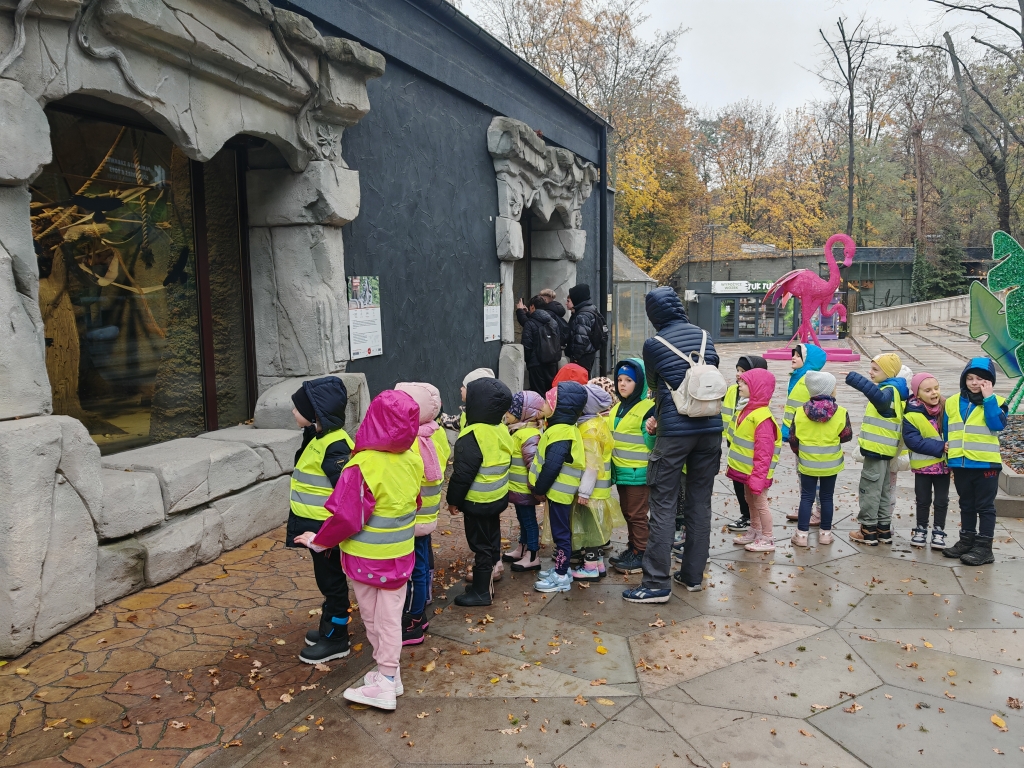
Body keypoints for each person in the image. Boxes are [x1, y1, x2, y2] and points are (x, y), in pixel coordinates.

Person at [294, 390, 423, 711]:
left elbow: (346, 518)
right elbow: (415, 502)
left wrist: (318, 540)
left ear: (373, 420)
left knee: (374, 620)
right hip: (401, 558)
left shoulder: (360, 465)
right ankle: (390, 676)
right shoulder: (412, 459)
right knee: (392, 618)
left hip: (366, 561)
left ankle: (387, 683)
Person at [625, 286, 722, 603]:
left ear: (654, 315)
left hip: (676, 433)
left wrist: (657, 414)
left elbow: (654, 384)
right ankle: (692, 576)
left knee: (664, 504)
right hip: (710, 428)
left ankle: (655, 584)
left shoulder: (654, 344)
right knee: (699, 502)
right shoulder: (705, 335)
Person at [285, 377, 354, 665]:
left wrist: (330, 534)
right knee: (327, 581)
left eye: (298, 407)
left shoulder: (334, 446)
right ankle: (330, 626)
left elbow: (347, 494)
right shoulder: (319, 438)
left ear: (316, 413)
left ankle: (337, 637)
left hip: (327, 532)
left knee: (333, 583)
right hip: (317, 529)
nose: (292, 412)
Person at [446, 377, 514, 606]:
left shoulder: (471, 435)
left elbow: (462, 474)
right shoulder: (501, 430)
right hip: (496, 498)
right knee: (491, 538)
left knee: (480, 545)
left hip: (477, 502)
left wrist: (453, 501)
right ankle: (484, 585)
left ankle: (482, 593)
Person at [394, 382, 449, 646]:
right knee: (423, 561)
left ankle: (413, 620)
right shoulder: (435, 433)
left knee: (413, 569)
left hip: (413, 516)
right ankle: (420, 610)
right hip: (428, 513)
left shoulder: (412, 441)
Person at [942, 357, 1007, 566]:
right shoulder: (952, 401)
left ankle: (984, 547)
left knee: (985, 506)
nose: (974, 382)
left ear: (989, 381)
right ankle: (967, 540)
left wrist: (988, 399)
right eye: (970, 378)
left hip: (986, 464)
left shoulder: (997, 402)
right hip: (961, 464)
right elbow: (947, 429)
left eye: (980, 378)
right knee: (966, 504)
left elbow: (996, 424)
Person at [530, 382, 588, 593]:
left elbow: (553, 464)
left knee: (561, 534)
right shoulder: (561, 428)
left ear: (559, 407)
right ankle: (560, 568)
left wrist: (540, 488)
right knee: (561, 532)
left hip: (559, 492)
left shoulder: (561, 432)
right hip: (559, 491)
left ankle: (561, 575)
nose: (543, 405)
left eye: (548, 401)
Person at [845, 353, 908, 546]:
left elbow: (879, 399)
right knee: (882, 491)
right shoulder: (897, 389)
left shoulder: (889, 390)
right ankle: (883, 529)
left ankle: (868, 530)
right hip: (885, 449)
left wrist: (854, 379)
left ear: (888, 372)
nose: (870, 373)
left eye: (875, 369)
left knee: (870, 490)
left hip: (876, 449)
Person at [787, 371, 851, 547]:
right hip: (831, 463)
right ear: (830, 390)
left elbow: (793, 438)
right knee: (827, 497)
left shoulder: (800, 412)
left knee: (806, 497)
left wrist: (800, 453)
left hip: (807, 462)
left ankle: (801, 535)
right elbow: (846, 436)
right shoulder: (841, 412)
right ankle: (825, 534)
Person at [569, 383, 623, 579]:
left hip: (591, 491)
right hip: (599, 489)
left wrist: (584, 491)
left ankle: (590, 567)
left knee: (591, 529)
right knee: (596, 528)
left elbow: (592, 464)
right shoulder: (597, 423)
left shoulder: (588, 429)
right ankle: (598, 563)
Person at [608, 358, 656, 573]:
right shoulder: (617, 408)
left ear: (641, 383)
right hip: (622, 471)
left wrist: (653, 431)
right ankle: (633, 548)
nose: (623, 384)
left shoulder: (647, 409)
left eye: (629, 380)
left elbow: (651, 442)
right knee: (629, 512)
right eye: (619, 379)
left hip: (639, 472)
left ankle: (642, 553)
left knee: (637, 514)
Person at [726, 368, 782, 553]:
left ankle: (767, 537)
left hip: (756, 473)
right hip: (747, 472)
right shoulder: (747, 410)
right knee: (750, 500)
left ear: (756, 388)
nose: (739, 385)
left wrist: (758, 478)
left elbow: (764, 453)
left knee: (760, 503)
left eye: (743, 382)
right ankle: (755, 530)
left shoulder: (762, 418)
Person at [903, 372, 949, 549]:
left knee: (941, 501)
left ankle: (939, 531)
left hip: (944, 468)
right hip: (923, 468)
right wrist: (940, 447)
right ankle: (921, 528)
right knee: (923, 500)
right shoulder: (912, 414)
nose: (934, 393)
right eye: (928, 390)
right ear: (917, 394)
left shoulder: (946, 409)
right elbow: (913, 441)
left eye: (936, 388)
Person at [782, 344, 827, 527]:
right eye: (793, 354)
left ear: (807, 360)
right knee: (802, 474)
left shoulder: (809, 380)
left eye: (797, 355)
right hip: (798, 436)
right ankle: (807, 509)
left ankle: (818, 512)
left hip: (807, 438)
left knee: (810, 475)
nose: (793, 357)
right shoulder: (798, 377)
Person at [723, 355, 768, 533]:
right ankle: (746, 516)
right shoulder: (733, 390)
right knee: (737, 480)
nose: (738, 375)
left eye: (743, 372)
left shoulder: (757, 395)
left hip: (747, 447)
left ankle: (752, 519)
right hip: (733, 442)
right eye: (738, 371)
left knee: (750, 486)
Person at [502, 390, 546, 571]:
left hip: (526, 489)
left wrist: (535, 488)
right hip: (517, 488)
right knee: (522, 518)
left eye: (511, 411)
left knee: (529, 521)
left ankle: (533, 554)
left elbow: (533, 464)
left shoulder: (528, 435)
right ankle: (523, 547)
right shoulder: (517, 431)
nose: (507, 414)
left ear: (524, 413)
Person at [517, 296, 562, 395]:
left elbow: (527, 346)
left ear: (532, 306)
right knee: (551, 394)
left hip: (536, 365)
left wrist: (529, 362)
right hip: (552, 363)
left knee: (538, 396)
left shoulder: (530, 323)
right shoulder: (553, 322)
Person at [565, 284, 607, 374]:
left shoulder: (582, 315)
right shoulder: (591, 308)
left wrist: (576, 357)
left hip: (582, 356)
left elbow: (581, 338)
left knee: (579, 380)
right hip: (588, 353)